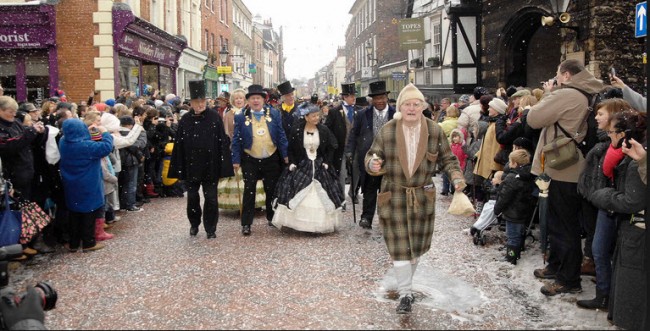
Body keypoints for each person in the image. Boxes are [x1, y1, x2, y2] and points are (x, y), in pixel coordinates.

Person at [365, 83, 465, 314]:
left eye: (416, 104)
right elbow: (372, 156)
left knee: (416, 248)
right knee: (399, 247)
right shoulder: (388, 129)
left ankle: (406, 285)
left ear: (423, 106)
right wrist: (372, 164)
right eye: (407, 104)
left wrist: (457, 177)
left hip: (422, 195)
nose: (411, 108)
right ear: (400, 106)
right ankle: (405, 294)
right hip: (394, 194)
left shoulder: (435, 130)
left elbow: (448, 159)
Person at [527, 58, 604, 296]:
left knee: (563, 225)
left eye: (558, 74)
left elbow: (533, 119)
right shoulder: (588, 91)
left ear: (567, 75)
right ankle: (557, 266)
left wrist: (550, 94)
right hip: (573, 165)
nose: (556, 78)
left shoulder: (567, 94)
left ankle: (568, 279)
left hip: (562, 168)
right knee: (561, 222)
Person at [589, 110, 646, 330]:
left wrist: (602, 195)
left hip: (635, 232)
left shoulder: (634, 163)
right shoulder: (634, 160)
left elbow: (632, 200)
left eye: (613, 133)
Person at [168, 80, 234, 239]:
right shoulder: (185, 120)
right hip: (191, 166)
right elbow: (179, 145)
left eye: (203, 101)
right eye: (197, 102)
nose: (201, 104)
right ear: (191, 103)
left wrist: (224, 163)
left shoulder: (214, 118)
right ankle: (194, 224)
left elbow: (222, 141)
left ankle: (211, 228)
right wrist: (179, 166)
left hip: (210, 165)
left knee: (211, 198)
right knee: (192, 197)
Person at [272, 103, 344, 233]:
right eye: (313, 116)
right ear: (306, 117)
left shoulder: (323, 130)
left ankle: (321, 224)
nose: (316, 118)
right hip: (302, 163)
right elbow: (291, 148)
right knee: (295, 187)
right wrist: (292, 162)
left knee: (325, 190)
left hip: (319, 164)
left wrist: (327, 161)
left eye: (318, 115)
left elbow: (332, 146)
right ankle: (297, 223)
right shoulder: (297, 130)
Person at [231, 84, 289, 236]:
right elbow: (236, 140)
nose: (255, 101)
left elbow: (281, 135)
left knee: (271, 190)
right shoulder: (240, 116)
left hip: (271, 158)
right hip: (250, 158)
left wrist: (285, 154)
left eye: (258, 98)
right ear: (248, 101)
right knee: (249, 191)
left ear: (263, 100)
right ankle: (246, 223)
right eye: (252, 98)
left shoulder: (275, 114)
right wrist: (235, 160)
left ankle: (272, 217)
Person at [345, 81, 396, 229]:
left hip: (390, 159)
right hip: (369, 158)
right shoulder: (362, 114)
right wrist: (350, 151)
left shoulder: (396, 114)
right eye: (376, 98)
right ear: (372, 100)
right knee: (369, 190)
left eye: (382, 98)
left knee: (387, 190)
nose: (379, 101)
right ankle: (366, 217)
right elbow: (354, 135)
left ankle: (386, 218)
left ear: (386, 97)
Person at [59, 118, 113, 252]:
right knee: (89, 212)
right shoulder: (87, 147)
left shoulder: (63, 142)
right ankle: (89, 242)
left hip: (71, 182)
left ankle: (74, 243)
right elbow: (106, 147)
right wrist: (105, 133)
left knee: (74, 212)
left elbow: (76, 138)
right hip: (88, 182)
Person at [493, 149, 536, 265]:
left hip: (513, 212)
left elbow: (505, 196)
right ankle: (517, 251)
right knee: (519, 234)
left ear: (515, 163)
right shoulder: (528, 176)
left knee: (512, 236)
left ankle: (511, 257)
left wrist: (497, 209)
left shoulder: (512, 178)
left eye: (510, 161)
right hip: (523, 210)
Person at [324, 83, 356, 205]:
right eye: (351, 96)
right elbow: (327, 129)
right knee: (341, 174)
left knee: (357, 171)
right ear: (344, 97)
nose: (353, 98)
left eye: (354, 95)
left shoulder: (359, 110)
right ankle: (341, 198)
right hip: (340, 148)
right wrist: (334, 143)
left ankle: (352, 192)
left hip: (355, 148)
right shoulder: (335, 111)